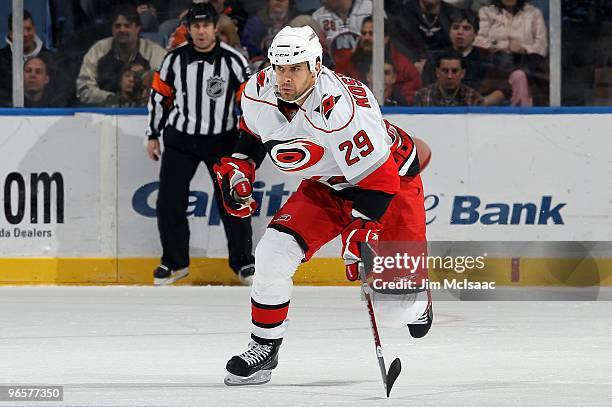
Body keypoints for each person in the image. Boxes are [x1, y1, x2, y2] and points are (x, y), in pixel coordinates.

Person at [217, 26, 432, 386]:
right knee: (272, 252)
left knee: (397, 310)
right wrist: (241, 166)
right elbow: (254, 133)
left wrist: (362, 231)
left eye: (295, 69)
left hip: (390, 182)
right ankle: (264, 347)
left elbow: (380, 182)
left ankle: (416, 299)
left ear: (316, 66)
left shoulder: (341, 108)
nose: (285, 78)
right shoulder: (258, 89)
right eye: (279, 68)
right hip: (328, 185)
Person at [145, 2, 255, 286]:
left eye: (206, 26)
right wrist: (153, 134)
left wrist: (249, 139)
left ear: (215, 28)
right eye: (196, 26)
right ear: (188, 29)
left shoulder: (233, 60)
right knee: (169, 202)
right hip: (181, 139)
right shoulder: (173, 60)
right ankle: (174, 263)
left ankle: (243, 263)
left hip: (222, 141)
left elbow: (248, 103)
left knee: (233, 201)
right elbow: (160, 97)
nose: (201, 31)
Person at [76, 4, 166, 106]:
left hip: (145, 112)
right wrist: (114, 99)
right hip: (104, 113)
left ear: (137, 28)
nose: (122, 30)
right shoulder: (98, 50)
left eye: (127, 25)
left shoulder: (154, 52)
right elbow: (84, 88)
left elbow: (166, 87)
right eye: (117, 26)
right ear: (112, 29)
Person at [335, 16, 422, 105]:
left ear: (385, 38)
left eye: (371, 34)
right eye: (364, 33)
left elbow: (411, 98)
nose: (366, 38)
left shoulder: (404, 66)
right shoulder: (347, 63)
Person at [0, 10, 52, 106]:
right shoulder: (1, 60)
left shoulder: (51, 59)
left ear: (34, 29)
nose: (25, 34)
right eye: (19, 30)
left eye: (28, 29)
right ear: (11, 34)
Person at [312, 0, 372, 65]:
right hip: (333, 66)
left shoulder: (370, 7)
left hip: (367, 64)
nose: (322, 1)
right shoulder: (317, 16)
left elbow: (383, 36)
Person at [415, 50, 483, 106]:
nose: (449, 76)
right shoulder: (422, 96)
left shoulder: (474, 98)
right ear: (437, 72)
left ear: (462, 73)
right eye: (445, 71)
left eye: (454, 71)